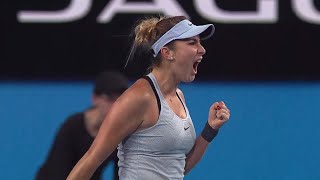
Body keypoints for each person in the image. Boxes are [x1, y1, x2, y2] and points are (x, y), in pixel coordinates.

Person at [67, 15, 231, 180]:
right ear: (167, 53)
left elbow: (177, 169)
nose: (202, 49)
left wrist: (210, 129)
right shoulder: (139, 98)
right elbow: (91, 159)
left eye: (199, 42)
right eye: (192, 42)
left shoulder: (179, 96)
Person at [36, 71, 128, 180]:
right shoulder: (72, 127)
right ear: (95, 98)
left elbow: (121, 174)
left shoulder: (120, 133)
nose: (115, 106)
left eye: (120, 100)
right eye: (110, 99)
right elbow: (57, 171)